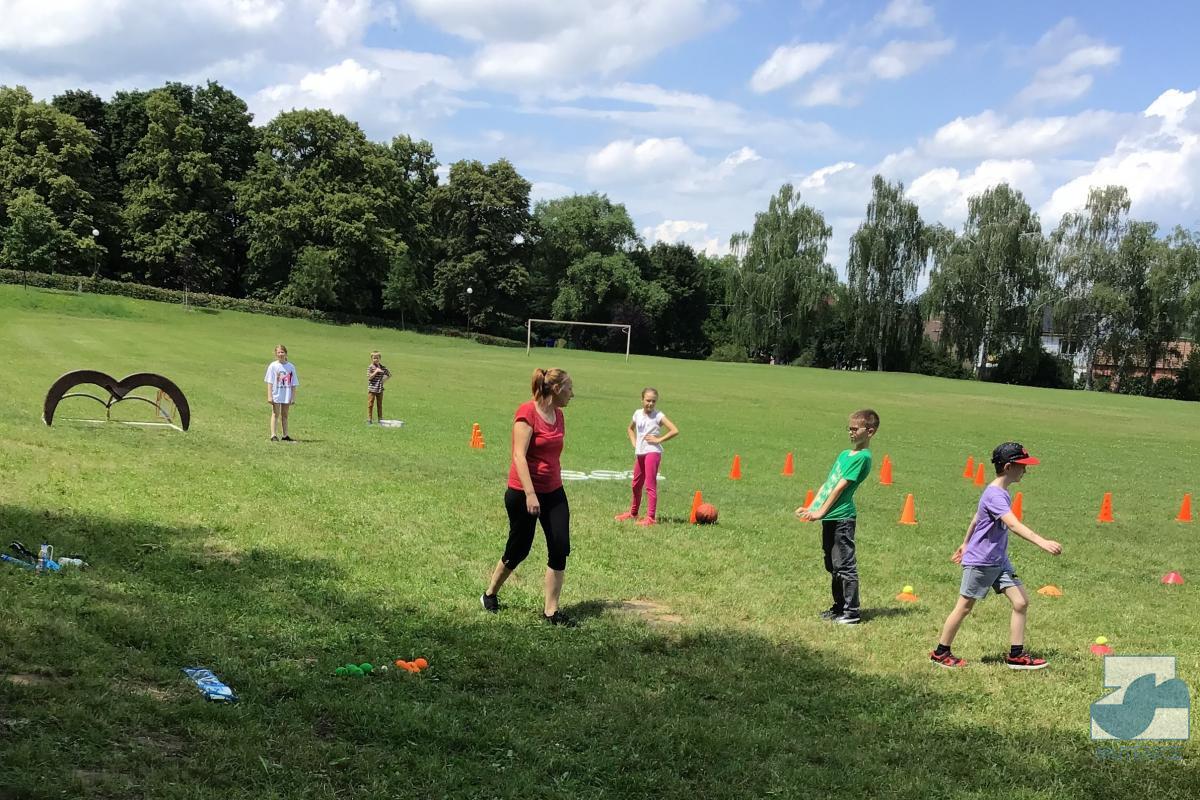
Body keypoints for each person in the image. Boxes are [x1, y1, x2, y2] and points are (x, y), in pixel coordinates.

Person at [929, 442, 1062, 669]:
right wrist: (1043, 542)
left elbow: (976, 518)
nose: (1025, 470)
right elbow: (1013, 525)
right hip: (981, 561)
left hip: (998, 560)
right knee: (964, 607)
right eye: (1022, 465)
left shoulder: (1001, 492)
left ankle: (1016, 655)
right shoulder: (995, 495)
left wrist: (965, 542)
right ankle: (940, 653)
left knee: (1021, 601)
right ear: (1009, 467)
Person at [481, 368, 577, 626]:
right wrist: (531, 494)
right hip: (523, 492)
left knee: (559, 545)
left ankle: (551, 611)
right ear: (556, 389)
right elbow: (518, 456)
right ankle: (490, 593)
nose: (572, 394)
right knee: (519, 548)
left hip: (553, 491)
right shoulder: (527, 413)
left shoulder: (559, 415)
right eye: (569, 388)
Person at [797, 409, 879, 625]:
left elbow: (840, 488)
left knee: (844, 565)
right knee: (831, 564)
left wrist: (821, 512)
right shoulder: (844, 455)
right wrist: (812, 507)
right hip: (829, 517)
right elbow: (829, 484)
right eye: (849, 428)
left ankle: (851, 612)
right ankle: (839, 607)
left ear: (870, 432)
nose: (851, 432)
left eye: (855, 429)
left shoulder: (863, 458)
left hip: (843, 518)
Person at [615, 387, 679, 526]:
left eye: (653, 401)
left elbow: (674, 430)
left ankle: (651, 517)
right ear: (642, 400)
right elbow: (630, 428)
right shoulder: (637, 413)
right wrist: (634, 442)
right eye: (648, 400)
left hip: (652, 452)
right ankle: (633, 513)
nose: (650, 404)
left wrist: (659, 439)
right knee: (636, 484)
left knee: (650, 485)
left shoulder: (658, 416)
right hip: (640, 453)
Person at [264, 344, 298, 441]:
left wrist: (292, 397)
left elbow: (293, 383)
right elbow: (270, 382)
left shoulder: (291, 367)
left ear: (286, 353)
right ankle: (273, 435)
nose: (280, 354)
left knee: (285, 414)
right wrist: (269, 396)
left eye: (282, 352)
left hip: (286, 394)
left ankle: (285, 435)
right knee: (275, 413)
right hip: (276, 393)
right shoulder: (273, 366)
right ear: (276, 354)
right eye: (278, 352)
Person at [366, 351, 391, 425]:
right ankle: (369, 419)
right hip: (372, 389)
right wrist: (376, 371)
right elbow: (369, 377)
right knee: (370, 404)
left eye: (377, 358)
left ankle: (380, 420)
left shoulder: (382, 367)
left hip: (380, 389)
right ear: (371, 359)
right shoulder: (370, 367)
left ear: (380, 358)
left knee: (379, 405)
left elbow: (389, 374)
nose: (376, 359)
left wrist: (383, 380)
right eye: (374, 358)